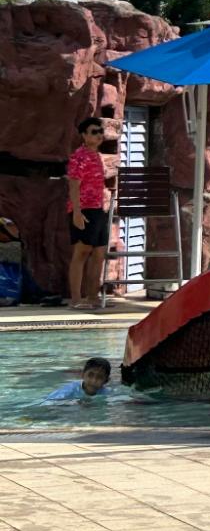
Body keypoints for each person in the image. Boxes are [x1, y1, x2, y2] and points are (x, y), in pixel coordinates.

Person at [65, 117, 112, 311]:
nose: (99, 135)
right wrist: (76, 212)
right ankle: (76, 299)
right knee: (81, 252)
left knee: (99, 253)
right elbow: (73, 185)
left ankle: (93, 297)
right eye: (94, 132)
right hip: (83, 210)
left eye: (100, 131)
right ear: (84, 135)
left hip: (98, 210)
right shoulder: (79, 156)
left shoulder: (97, 156)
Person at [44, 356, 112, 402]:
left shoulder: (107, 393)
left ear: (106, 381)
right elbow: (49, 403)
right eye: (90, 375)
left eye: (100, 377)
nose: (94, 380)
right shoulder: (68, 392)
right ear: (82, 374)